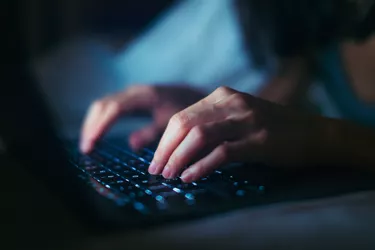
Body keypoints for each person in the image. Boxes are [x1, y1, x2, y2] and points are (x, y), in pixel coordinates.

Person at [80, 0, 375, 183]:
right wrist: (201, 109)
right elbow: (282, 112)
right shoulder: (324, 16)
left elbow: (308, 130)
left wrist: (324, 137)